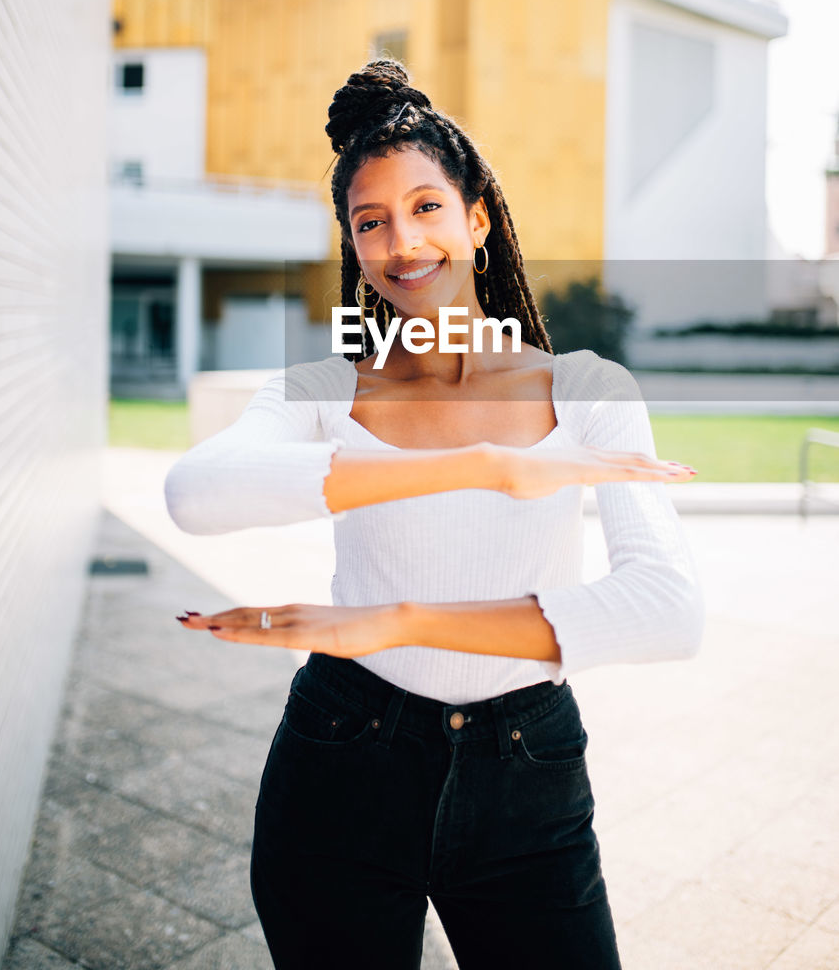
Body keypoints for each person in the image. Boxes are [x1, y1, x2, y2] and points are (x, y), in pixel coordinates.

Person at [164, 59, 704, 970]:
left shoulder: (585, 389)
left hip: (525, 774)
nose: (401, 243)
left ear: (477, 220)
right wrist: (485, 464)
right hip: (342, 760)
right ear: (353, 246)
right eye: (370, 222)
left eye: (425, 207)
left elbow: (667, 609)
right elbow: (194, 495)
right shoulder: (324, 388)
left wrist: (403, 619)